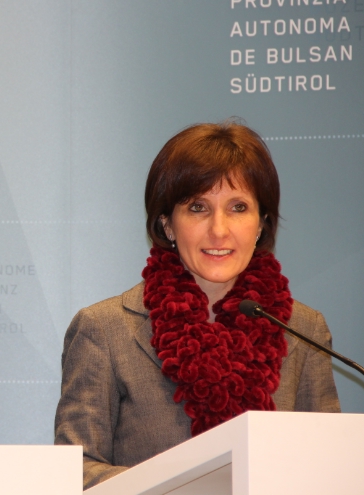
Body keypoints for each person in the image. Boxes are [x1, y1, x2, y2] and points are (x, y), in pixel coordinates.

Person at [54, 121, 340, 490]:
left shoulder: (303, 330)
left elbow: (328, 467)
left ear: (261, 224)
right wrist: (184, 487)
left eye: (238, 207)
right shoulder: (104, 330)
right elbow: (75, 472)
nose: (219, 230)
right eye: (198, 207)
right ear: (167, 224)